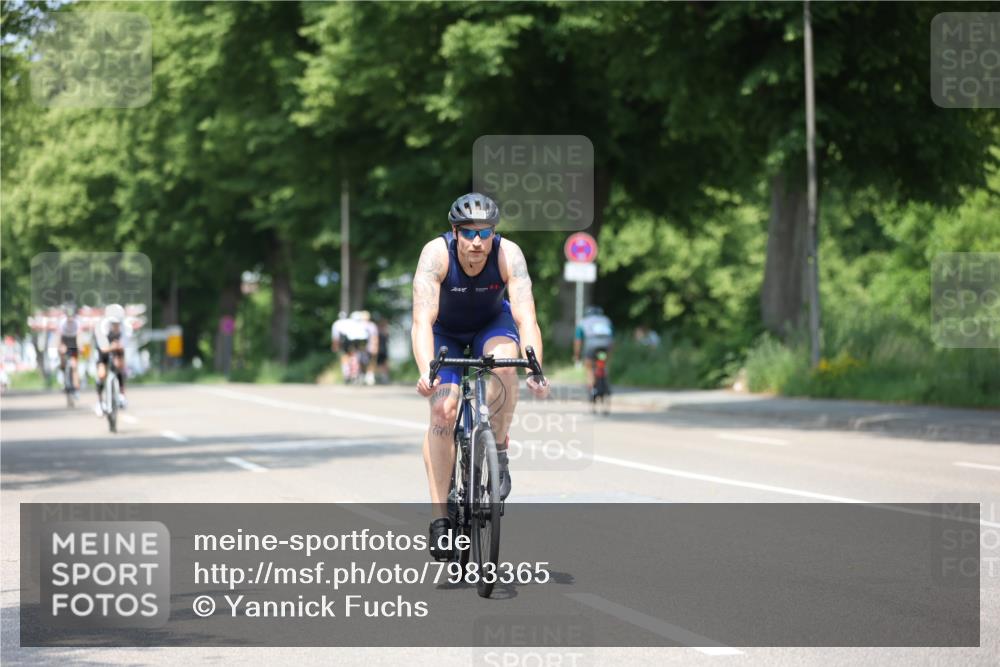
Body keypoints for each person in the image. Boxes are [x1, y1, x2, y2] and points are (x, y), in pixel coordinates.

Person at [412, 192, 549, 560]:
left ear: (494, 233)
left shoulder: (509, 255)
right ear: (454, 232)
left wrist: (535, 364)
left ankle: (498, 447)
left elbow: (525, 316)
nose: (477, 242)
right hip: (445, 333)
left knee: (506, 363)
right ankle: (441, 517)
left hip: (492, 324)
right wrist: (428, 370)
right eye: (469, 233)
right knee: (443, 410)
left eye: (485, 233)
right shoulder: (435, 255)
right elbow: (421, 320)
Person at [94, 304, 128, 415]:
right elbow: (103, 349)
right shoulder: (101, 327)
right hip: (103, 347)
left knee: (120, 364)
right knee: (102, 373)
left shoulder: (126, 327)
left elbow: (125, 344)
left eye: (118, 323)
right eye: (113, 323)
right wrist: (111, 347)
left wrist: (118, 347)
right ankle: (99, 402)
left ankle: (122, 394)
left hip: (117, 347)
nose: (116, 326)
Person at [574, 305, 614, 398]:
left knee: (589, 366)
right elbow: (612, 338)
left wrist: (577, 355)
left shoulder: (583, 322)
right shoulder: (606, 320)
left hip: (591, 345)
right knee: (603, 363)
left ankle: (592, 389)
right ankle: (605, 380)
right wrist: (610, 355)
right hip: (605, 346)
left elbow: (578, 341)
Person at [56, 304, 82, 397]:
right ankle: (63, 378)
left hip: (73, 342)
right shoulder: (62, 322)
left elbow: (79, 337)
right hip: (65, 341)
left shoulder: (77, 322)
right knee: (63, 359)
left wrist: (80, 347)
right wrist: (60, 347)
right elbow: (59, 337)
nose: (70, 318)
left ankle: (76, 388)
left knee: (74, 366)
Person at [375, 316, 390, 384]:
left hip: (381, 349)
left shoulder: (382, 331)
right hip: (382, 349)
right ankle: (383, 377)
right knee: (382, 364)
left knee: (382, 364)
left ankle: (384, 377)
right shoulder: (383, 331)